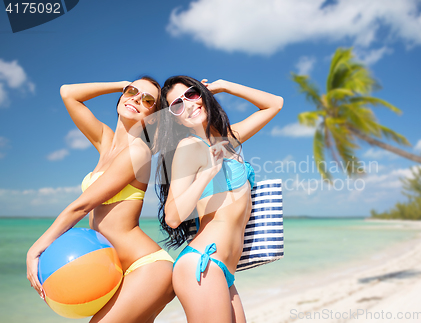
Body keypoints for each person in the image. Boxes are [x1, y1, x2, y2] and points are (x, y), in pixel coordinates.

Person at [26, 77, 175, 323]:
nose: (137, 99)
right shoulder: (106, 141)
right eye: (132, 92)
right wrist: (120, 85)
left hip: (147, 267)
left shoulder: (139, 151)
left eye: (148, 100)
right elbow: (68, 93)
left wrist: (36, 249)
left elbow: (83, 205)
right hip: (117, 272)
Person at [156, 75, 283, 322]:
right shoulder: (188, 146)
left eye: (192, 94)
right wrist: (206, 175)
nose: (189, 105)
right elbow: (172, 216)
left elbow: (274, 103)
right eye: (177, 105)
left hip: (224, 270)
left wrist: (224, 86)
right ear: (175, 118)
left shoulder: (229, 138)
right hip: (204, 263)